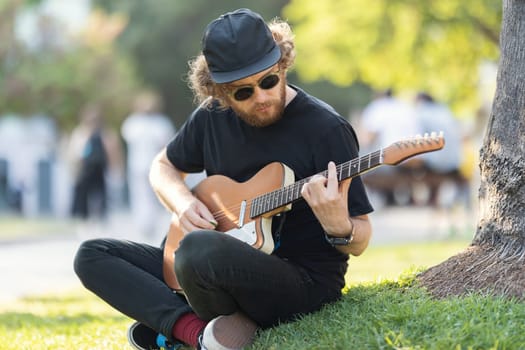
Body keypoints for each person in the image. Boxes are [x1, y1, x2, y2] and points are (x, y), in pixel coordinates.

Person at [74, 8, 373, 350]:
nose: (260, 97)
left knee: (197, 249)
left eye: (269, 81)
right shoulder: (211, 117)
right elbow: (163, 166)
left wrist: (339, 227)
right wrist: (183, 202)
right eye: (242, 92)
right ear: (218, 92)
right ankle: (197, 334)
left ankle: (172, 326)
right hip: (209, 263)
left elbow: (361, 237)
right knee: (92, 255)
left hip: (300, 280)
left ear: (283, 64)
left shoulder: (325, 130)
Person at [121, 91, 176, 240]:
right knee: (141, 195)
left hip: (155, 165)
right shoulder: (134, 122)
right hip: (138, 165)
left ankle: (152, 223)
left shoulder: (160, 123)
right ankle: (144, 224)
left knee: (154, 196)